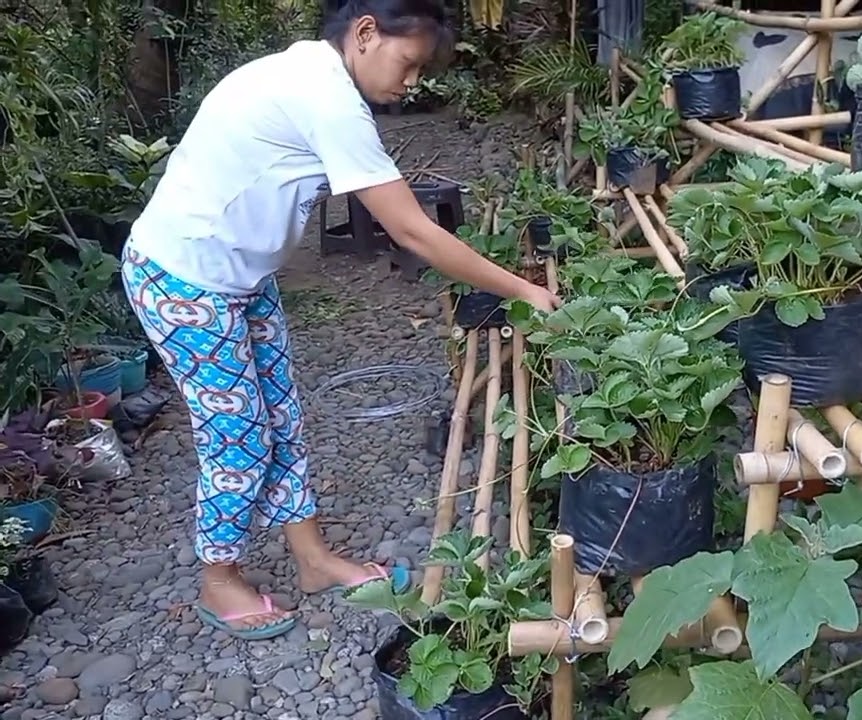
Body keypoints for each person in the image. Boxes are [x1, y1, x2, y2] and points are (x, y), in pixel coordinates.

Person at [120, 0, 560, 640]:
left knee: (283, 418)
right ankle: (219, 578)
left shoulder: (310, 75)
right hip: (182, 278)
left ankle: (313, 559)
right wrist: (525, 290)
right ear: (364, 33)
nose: (411, 83)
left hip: (241, 276)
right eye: (409, 63)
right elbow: (412, 230)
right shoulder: (327, 98)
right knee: (238, 434)